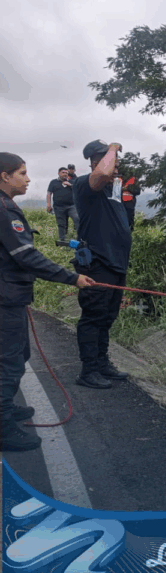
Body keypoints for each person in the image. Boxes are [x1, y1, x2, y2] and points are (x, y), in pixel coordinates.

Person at [0, 153, 94, 452]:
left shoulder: (7, 206)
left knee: (19, 353)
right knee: (9, 362)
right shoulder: (4, 210)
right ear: (5, 176)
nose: (28, 179)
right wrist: (72, 278)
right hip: (5, 298)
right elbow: (25, 255)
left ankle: (6, 408)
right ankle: (3, 427)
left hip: (9, 295)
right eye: (23, 173)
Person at [72, 140, 133, 390]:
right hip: (97, 262)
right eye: (111, 160)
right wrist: (113, 147)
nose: (116, 163)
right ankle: (88, 370)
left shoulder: (113, 189)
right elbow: (100, 176)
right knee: (93, 317)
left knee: (107, 317)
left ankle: (102, 362)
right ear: (96, 162)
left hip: (116, 264)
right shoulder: (85, 185)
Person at [46, 166, 79, 240]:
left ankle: (80, 238)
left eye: (66, 173)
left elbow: (78, 190)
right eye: (63, 172)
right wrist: (48, 204)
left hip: (71, 206)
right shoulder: (53, 182)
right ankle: (62, 241)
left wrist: (70, 185)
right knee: (61, 224)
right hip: (59, 207)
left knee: (77, 219)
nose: (65, 174)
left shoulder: (71, 182)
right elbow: (49, 193)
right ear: (58, 173)